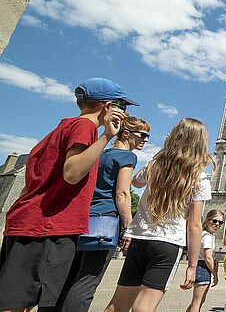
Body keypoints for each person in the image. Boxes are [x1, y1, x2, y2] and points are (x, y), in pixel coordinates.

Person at [0, 78, 131, 311]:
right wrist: (106, 137)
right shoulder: (86, 128)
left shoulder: (62, 127)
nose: (124, 112)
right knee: (17, 303)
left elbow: (30, 185)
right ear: (108, 106)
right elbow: (72, 173)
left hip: (30, 223)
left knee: (19, 300)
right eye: (123, 106)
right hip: (48, 227)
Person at [104, 117, 214, 312]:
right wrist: (192, 265)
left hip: (140, 239)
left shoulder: (155, 164)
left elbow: (136, 183)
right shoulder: (199, 178)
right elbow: (194, 225)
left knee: (117, 305)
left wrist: (162, 152)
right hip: (168, 244)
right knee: (143, 307)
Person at [47, 116, 149, 312]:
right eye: (142, 135)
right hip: (105, 221)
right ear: (126, 134)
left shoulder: (100, 154)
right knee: (87, 281)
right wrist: (128, 226)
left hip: (81, 218)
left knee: (70, 275)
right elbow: (122, 193)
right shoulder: (127, 157)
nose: (145, 139)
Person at [186, 209, 224, 312]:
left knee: (199, 301)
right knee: (197, 302)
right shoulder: (206, 236)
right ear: (207, 221)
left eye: (220, 222)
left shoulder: (208, 235)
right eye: (214, 221)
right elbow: (208, 257)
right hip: (203, 267)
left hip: (202, 267)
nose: (217, 224)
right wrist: (215, 274)